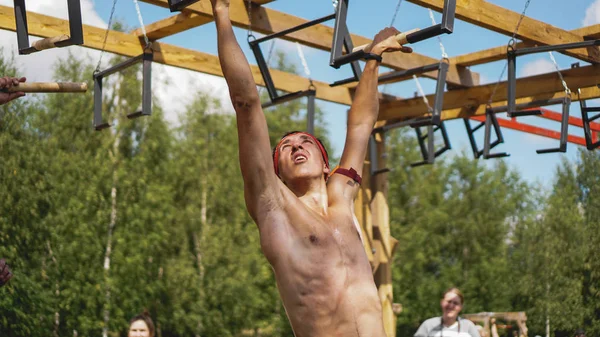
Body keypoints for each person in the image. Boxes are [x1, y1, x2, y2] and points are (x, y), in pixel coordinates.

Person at [210, 0, 412, 335]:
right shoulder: (274, 208)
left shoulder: (342, 200)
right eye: (285, 148)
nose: (295, 146)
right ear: (278, 175)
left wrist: (373, 60)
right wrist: (221, 13)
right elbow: (246, 103)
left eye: (305, 142)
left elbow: (361, 126)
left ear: (325, 165)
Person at [414, 288, 481, 337]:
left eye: (455, 303)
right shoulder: (428, 325)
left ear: (461, 307)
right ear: (442, 302)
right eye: (448, 301)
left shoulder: (468, 326)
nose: (451, 305)